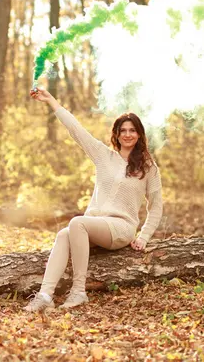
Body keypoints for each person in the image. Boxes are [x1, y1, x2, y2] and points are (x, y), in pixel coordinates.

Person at [24, 88, 163, 312]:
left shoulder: (148, 167)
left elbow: (156, 207)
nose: (127, 134)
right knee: (63, 235)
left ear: (139, 135)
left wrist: (144, 236)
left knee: (77, 223)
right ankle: (45, 295)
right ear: (116, 134)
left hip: (120, 228)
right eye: (123, 130)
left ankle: (79, 291)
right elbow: (76, 130)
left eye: (132, 130)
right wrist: (50, 100)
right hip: (94, 225)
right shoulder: (103, 156)